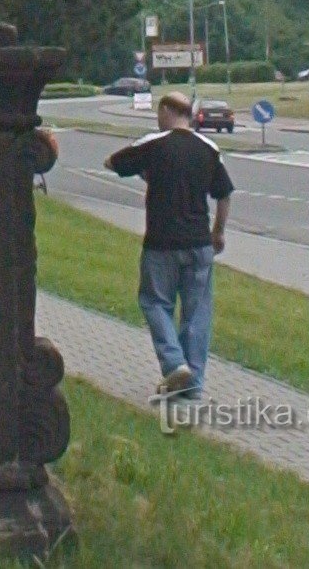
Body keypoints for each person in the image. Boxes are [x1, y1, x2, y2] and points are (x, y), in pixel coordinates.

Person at [104, 91, 233, 399]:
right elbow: (224, 193)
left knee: (154, 303)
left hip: (161, 243)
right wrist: (218, 231)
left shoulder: (153, 144)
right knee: (197, 312)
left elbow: (111, 162)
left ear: (165, 111)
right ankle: (193, 384)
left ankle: (175, 364)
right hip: (199, 243)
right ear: (189, 114)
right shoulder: (209, 149)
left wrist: (151, 174)